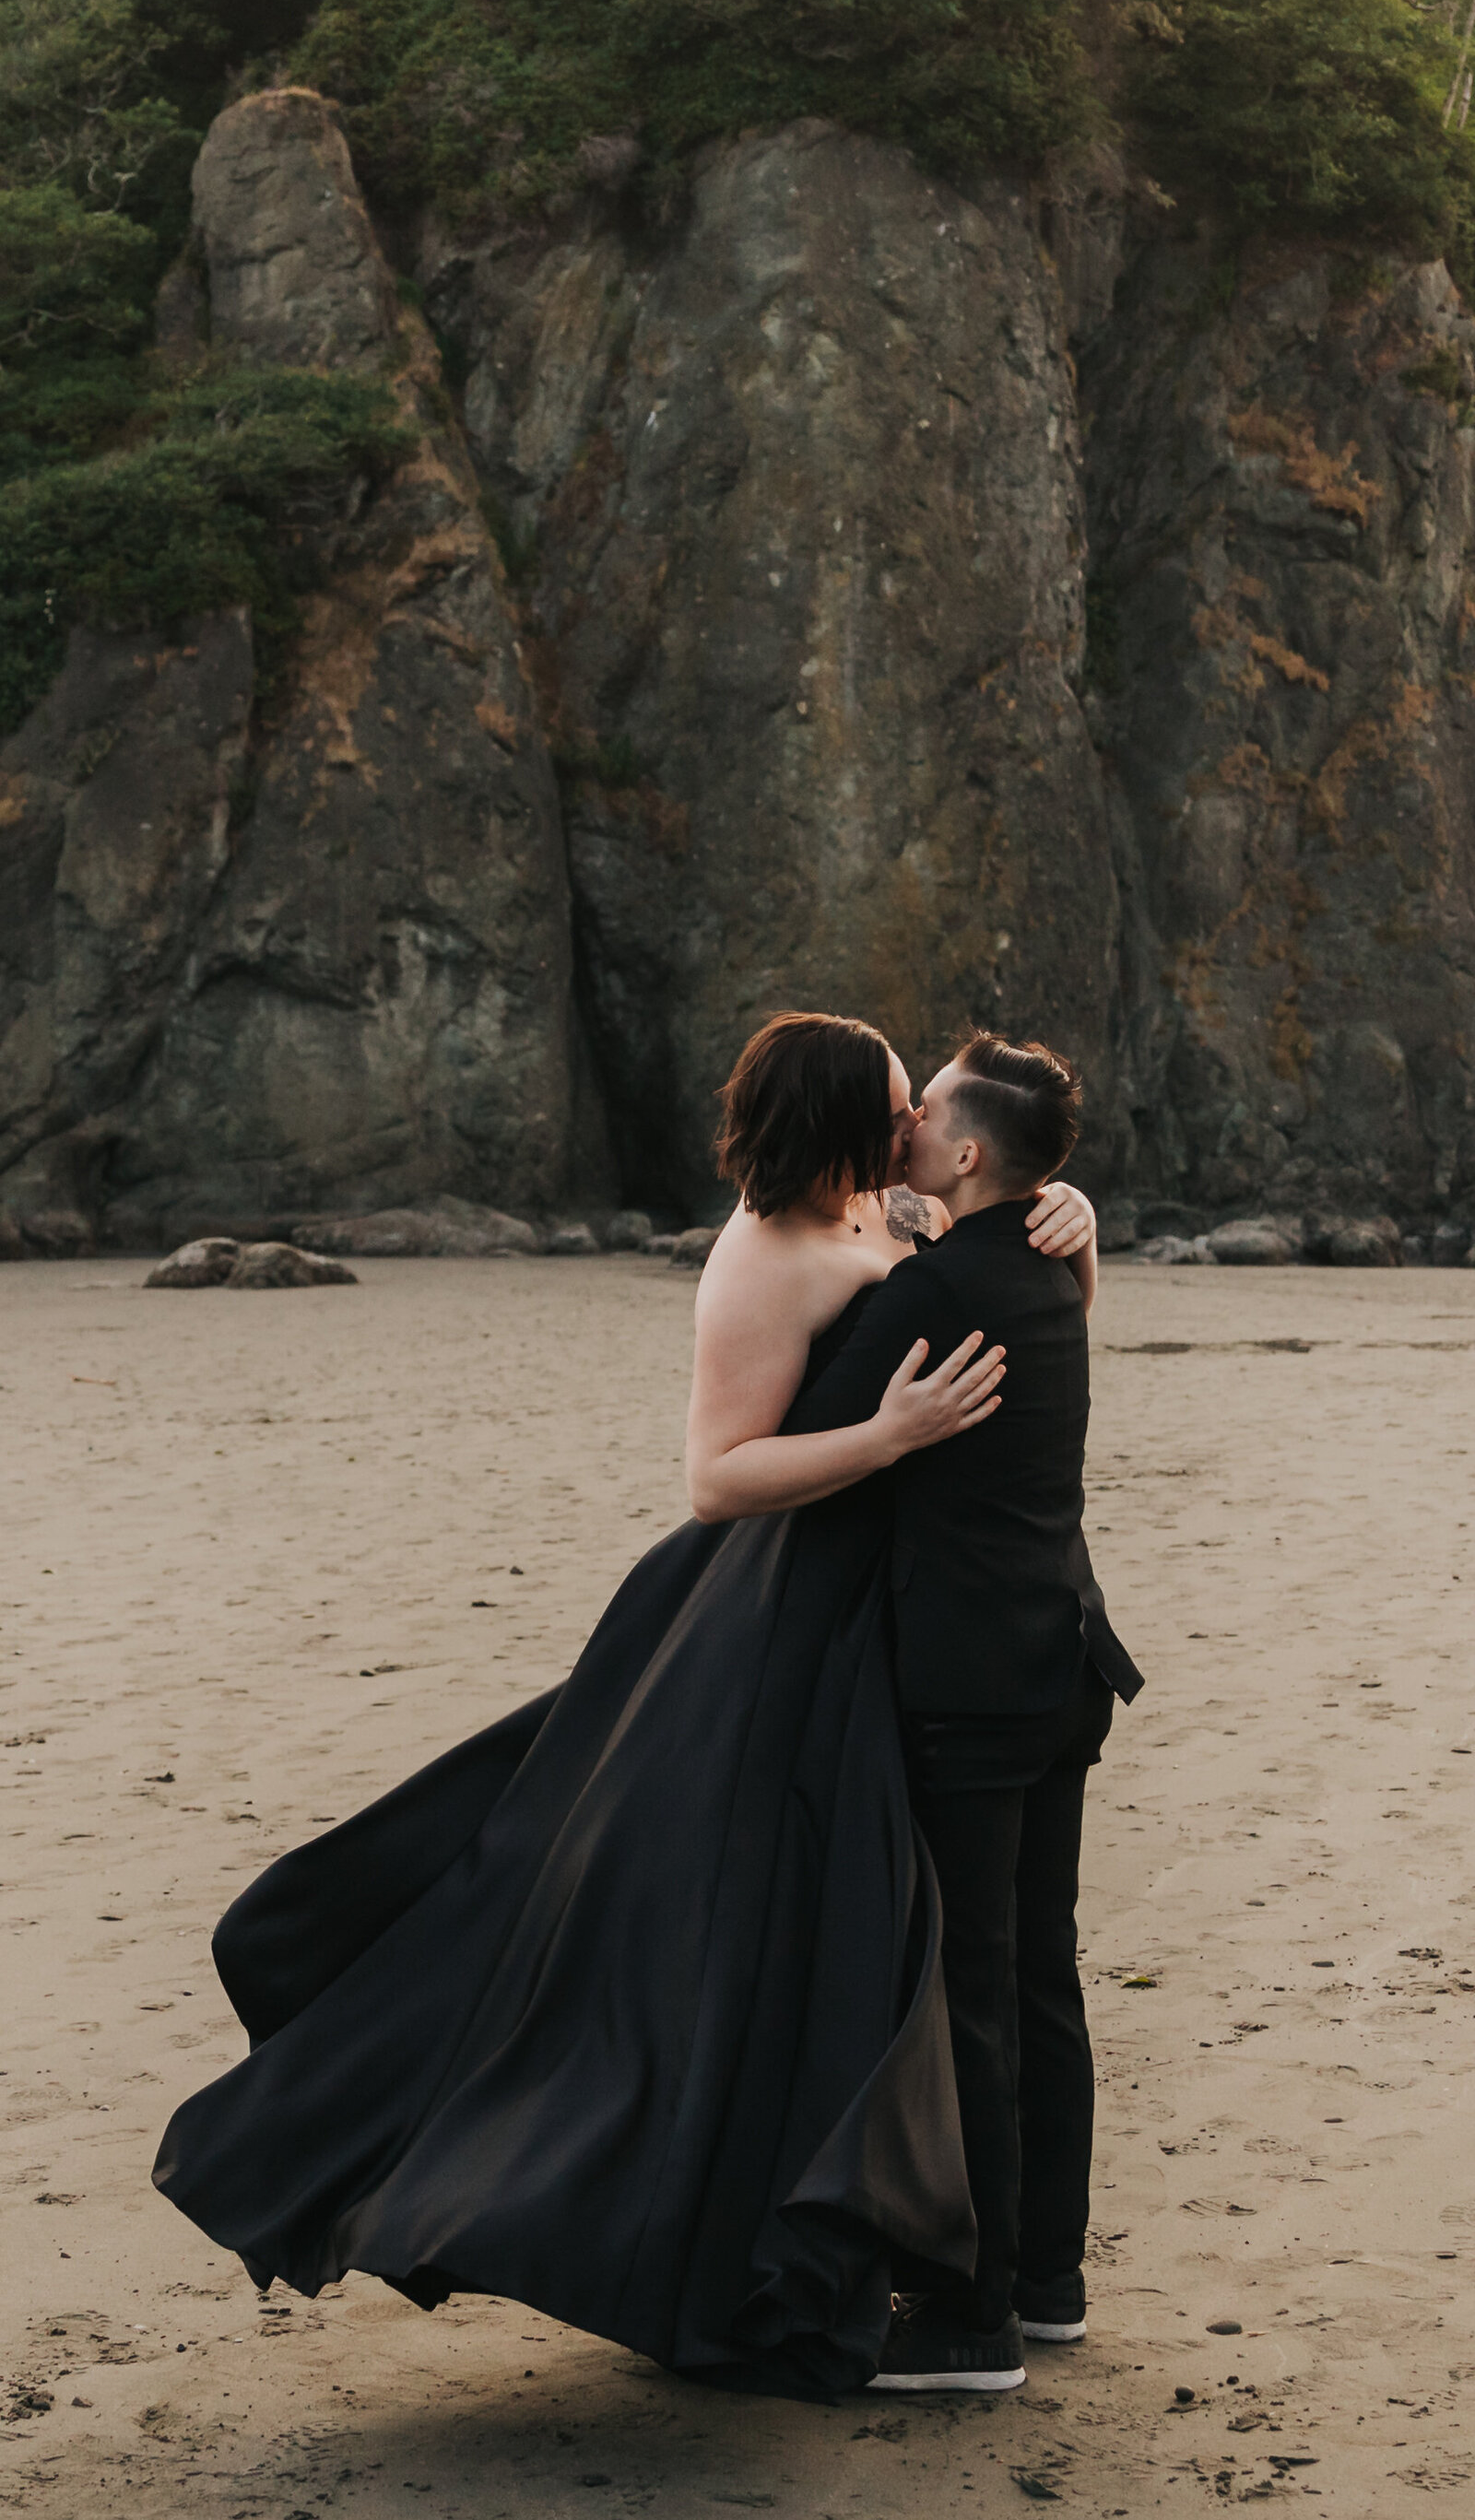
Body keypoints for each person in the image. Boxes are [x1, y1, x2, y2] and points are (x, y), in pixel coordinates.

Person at [153, 1010, 1092, 2399]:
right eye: (889, 1104)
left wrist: (1070, 1207)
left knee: (874, 1961)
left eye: (917, 1108)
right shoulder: (762, 1253)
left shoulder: (895, 1218)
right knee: (659, 1931)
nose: (906, 1128)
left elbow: (993, 1225)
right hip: (768, 1615)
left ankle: (953, 2264)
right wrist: (886, 1434)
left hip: (883, 1634)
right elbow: (716, 1477)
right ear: (843, 1121)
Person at [755, 1030, 1142, 2395]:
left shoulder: (924, 1296)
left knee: (971, 1985)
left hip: (972, 1692)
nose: (906, 1125)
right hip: (1067, 1660)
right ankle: (1048, 2281)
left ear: (969, 1154)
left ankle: (973, 2317)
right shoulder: (1045, 1273)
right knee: (1044, 1972)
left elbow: (791, 1434)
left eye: (930, 1116)